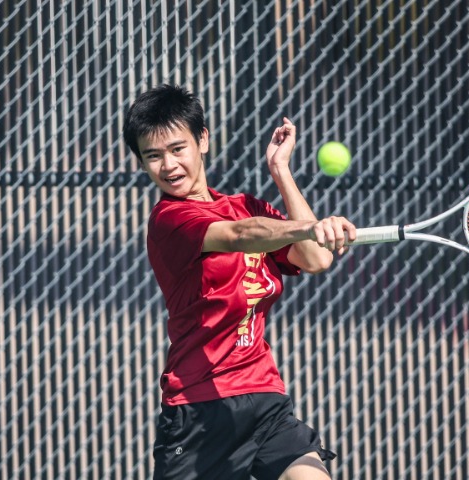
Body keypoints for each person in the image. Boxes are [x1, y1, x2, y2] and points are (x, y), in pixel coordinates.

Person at [122, 84, 356, 480]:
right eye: (154, 156)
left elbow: (316, 258)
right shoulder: (169, 220)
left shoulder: (246, 206)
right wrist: (311, 227)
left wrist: (281, 172)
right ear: (142, 163)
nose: (169, 165)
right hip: (200, 409)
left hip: (264, 398)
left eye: (178, 149)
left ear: (202, 140)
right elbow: (238, 235)